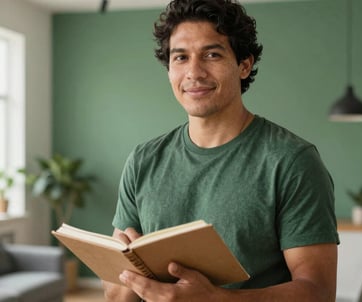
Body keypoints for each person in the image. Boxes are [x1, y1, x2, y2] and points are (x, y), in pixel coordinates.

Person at [103, 0, 339, 301]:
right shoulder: (142, 160)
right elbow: (114, 295)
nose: (194, 72)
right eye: (180, 58)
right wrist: (129, 275)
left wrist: (217, 299)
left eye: (212, 54)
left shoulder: (292, 161)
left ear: (244, 65)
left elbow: (318, 292)